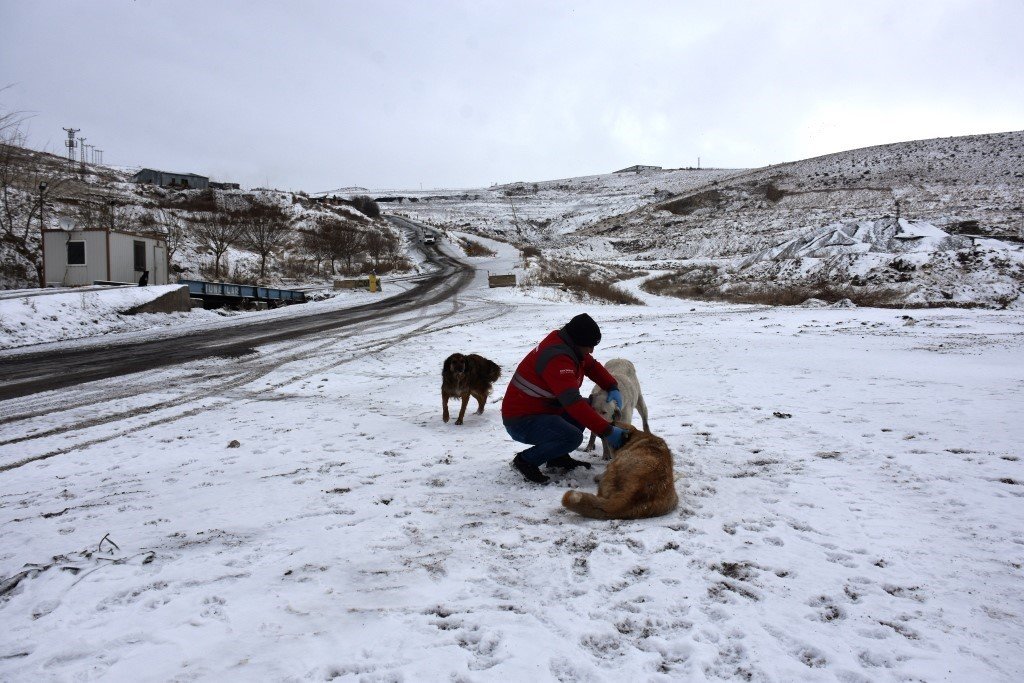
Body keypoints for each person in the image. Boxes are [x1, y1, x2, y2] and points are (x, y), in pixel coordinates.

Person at [502, 313, 627, 484]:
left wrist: (612, 386)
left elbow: (591, 366)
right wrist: (607, 430)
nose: (591, 350)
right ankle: (525, 461)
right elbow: (573, 403)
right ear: (577, 341)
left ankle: (557, 457)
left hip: (543, 410)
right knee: (572, 437)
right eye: (589, 346)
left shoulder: (569, 345)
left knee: (589, 407)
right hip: (522, 421)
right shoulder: (557, 358)